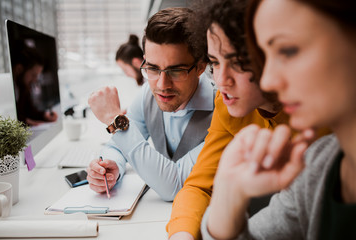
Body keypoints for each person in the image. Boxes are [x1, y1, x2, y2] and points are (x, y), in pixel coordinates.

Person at [201, 0, 356, 239]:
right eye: (263, 55)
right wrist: (227, 195)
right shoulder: (319, 168)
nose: (268, 80)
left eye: (288, 50)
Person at [167, 0, 293, 239]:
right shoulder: (227, 106)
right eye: (214, 62)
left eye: (237, 63)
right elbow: (198, 186)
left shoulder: (321, 113)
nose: (221, 80)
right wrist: (182, 234)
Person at [87, 7, 215, 201]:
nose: (162, 85)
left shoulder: (222, 109)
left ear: (200, 67)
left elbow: (175, 185)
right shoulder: (148, 93)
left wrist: (115, 120)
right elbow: (117, 146)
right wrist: (113, 166)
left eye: (176, 70)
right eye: (153, 69)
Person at [12, 46, 58, 126]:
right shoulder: (7, 90)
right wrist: (25, 121)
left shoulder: (23, 86)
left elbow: (29, 111)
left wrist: (44, 115)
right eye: (33, 75)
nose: (35, 80)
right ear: (19, 69)